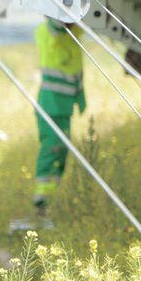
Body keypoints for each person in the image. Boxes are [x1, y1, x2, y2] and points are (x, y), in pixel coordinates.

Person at [30, 16, 86, 219]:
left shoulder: (72, 37)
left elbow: (75, 72)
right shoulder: (48, 33)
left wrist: (80, 98)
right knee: (51, 148)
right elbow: (55, 26)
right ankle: (42, 198)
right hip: (50, 105)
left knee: (61, 150)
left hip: (64, 106)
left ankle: (52, 198)